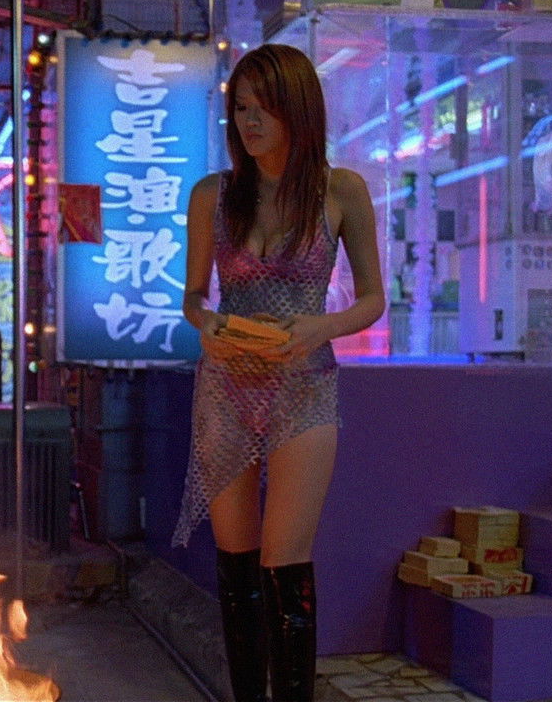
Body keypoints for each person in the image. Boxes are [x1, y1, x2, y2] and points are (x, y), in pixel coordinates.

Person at [173, 44, 385, 702]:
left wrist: (322, 326)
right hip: (227, 385)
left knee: (284, 561)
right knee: (235, 563)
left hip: (305, 385)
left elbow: (374, 299)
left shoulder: (341, 189)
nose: (249, 120)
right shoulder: (213, 194)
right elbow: (194, 296)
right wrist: (206, 324)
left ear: (298, 109)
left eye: (263, 107)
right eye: (240, 107)